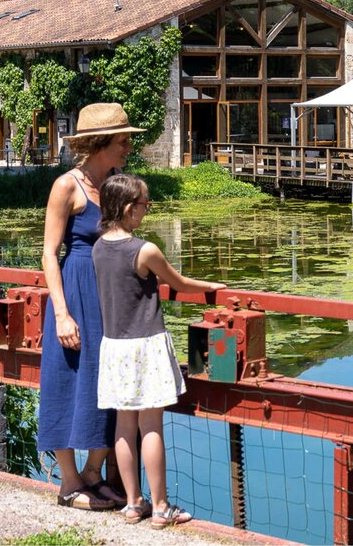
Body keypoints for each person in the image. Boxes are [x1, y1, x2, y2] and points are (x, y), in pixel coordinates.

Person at [93, 173, 225, 527]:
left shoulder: (98, 247)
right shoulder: (144, 250)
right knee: (151, 425)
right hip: (146, 344)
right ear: (126, 208)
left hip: (115, 346)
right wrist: (212, 285)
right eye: (144, 204)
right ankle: (162, 507)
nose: (147, 211)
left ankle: (134, 503)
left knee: (124, 426)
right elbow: (178, 283)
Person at [39, 103, 143, 510]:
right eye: (123, 140)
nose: (129, 146)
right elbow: (49, 254)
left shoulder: (118, 183)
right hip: (75, 289)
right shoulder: (67, 186)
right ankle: (68, 483)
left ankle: (92, 474)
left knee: (109, 379)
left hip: (109, 293)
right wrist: (62, 313)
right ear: (100, 143)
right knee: (65, 379)